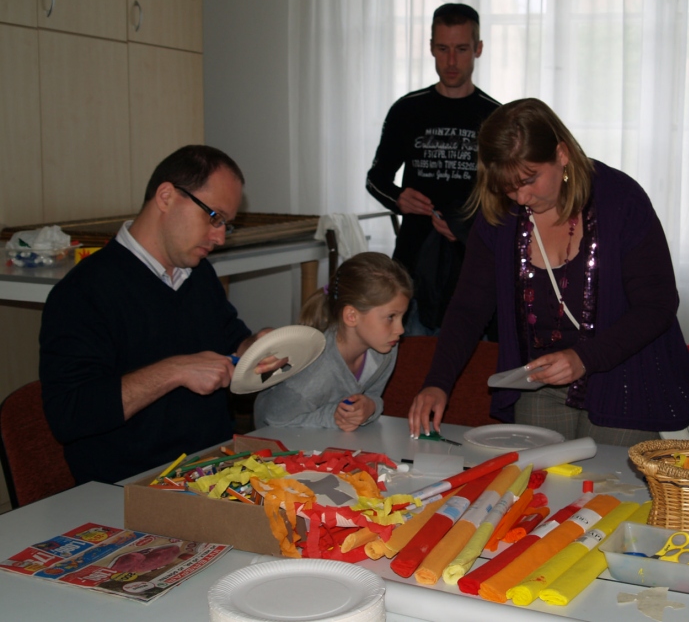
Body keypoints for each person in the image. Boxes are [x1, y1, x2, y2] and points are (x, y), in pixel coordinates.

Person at [407, 98, 689, 445]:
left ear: (561, 154)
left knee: (606, 478)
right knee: (538, 476)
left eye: (529, 180)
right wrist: (437, 382)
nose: (520, 197)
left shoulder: (620, 200)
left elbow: (658, 305)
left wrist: (583, 358)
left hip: (625, 377)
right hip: (541, 380)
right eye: (507, 186)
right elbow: (468, 307)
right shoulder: (501, 215)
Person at [40, 145, 283, 485]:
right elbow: (70, 415)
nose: (219, 237)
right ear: (167, 196)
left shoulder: (197, 273)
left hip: (214, 469)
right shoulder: (84, 292)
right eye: (214, 217)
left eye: (226, 225)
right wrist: (174, 371)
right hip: (132, 488)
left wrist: (255, 348)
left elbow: (231, 338)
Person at [366, 3, 501, 335]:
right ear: (430, 48)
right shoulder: (407, 110)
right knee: (413, 358)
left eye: (461, 49)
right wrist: (398, 198)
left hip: (475, 265)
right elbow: (376, 179)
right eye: (443, 49)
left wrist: (467, 226)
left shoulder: (495, 117)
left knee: (475, 362)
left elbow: (509, 197)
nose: (451, 61)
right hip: (412, 265)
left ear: (478, 49)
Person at [254, 252, 412, 431]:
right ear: (351, 316)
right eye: (391, 317)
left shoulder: (385, 351)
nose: (400, 330)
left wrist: (371, 407)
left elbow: (373, 396)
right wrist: (333, 417)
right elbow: (272, 419)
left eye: (402, 317)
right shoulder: (315, 374)